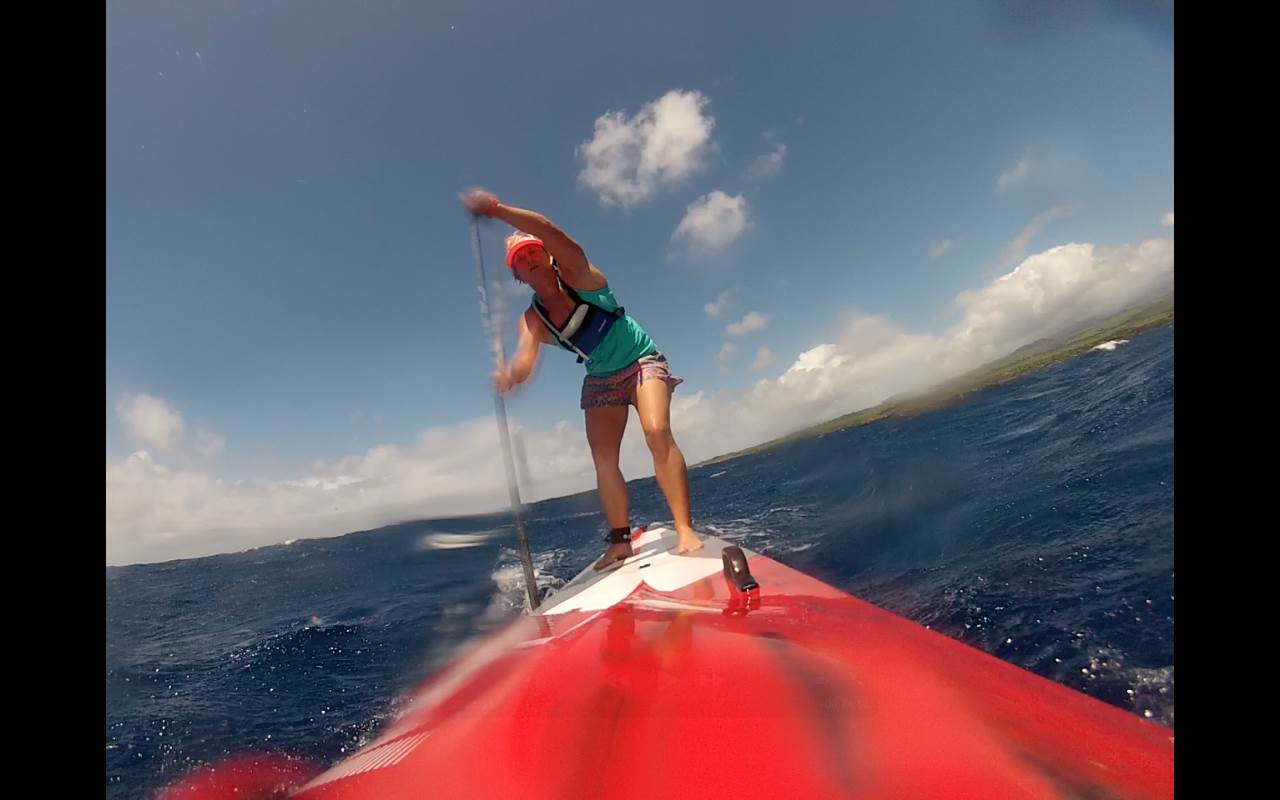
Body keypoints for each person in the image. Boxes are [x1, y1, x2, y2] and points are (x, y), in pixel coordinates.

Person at [461, 188, 703, 570]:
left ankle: (684, 529)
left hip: (641, 360)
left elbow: (547, 228)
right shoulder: (533, 319)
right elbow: (526, 359)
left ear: (548, 256)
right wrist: (510, 376)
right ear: (517, 275)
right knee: (603, 460)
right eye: (519, 260)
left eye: (532, 251)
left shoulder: (580, 274)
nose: (528, 259)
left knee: (657, 432)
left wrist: (497, 209)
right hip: (601, 377)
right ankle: (620, 543)